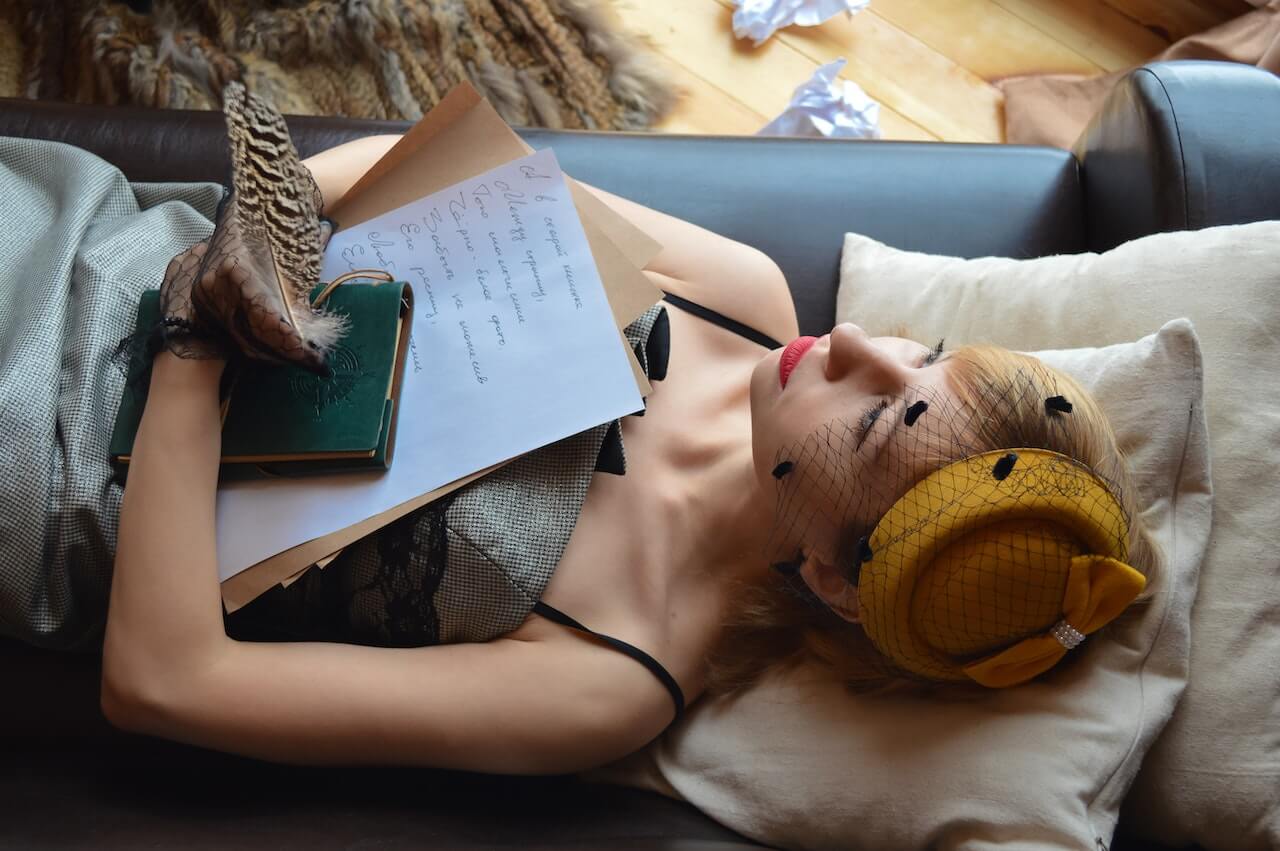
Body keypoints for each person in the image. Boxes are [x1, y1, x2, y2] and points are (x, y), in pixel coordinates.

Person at [6, 125, 1154, 775]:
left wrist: (197, 346)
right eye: (924, 353)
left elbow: (162, 680)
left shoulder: (612, 674)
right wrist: (258, 228)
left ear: (833, 585)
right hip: (86, 230)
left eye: (875, 414)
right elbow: (401, 167)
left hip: (34, 477)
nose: (852, 337)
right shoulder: (739, 300)